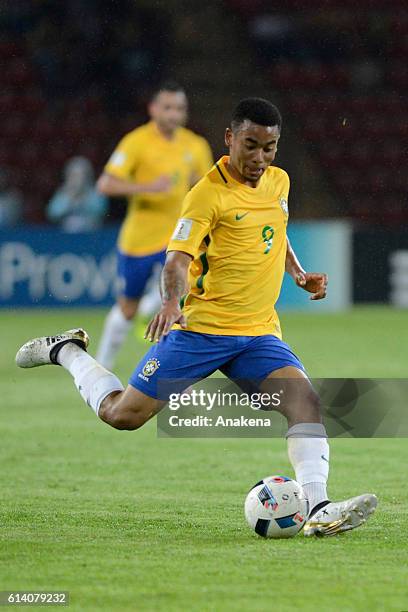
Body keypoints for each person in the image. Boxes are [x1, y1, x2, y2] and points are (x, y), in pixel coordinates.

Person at [16, 97, 377, 537]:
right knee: (123, 416)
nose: (260, 158)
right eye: (251, 146)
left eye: (269, 148)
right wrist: (170, 303)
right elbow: (176, 260)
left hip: (257, 333)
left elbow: (275, 234)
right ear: (229, 139)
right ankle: (67, 352)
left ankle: (318, 507)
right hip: (201, 332)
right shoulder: (206, 192)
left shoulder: (279, 182)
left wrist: (298, 274)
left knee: (305, 403)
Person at [95, 81, 213, 369]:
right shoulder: (136, 142)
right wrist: (147, 187)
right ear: (153, 109)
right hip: (139, 239)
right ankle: (100, 367)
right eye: (168, 108)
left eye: (180, 108)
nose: (174, 114)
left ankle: (174, 375)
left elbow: (210, 187)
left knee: (182, 304)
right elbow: (106, 184)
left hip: (178, 240)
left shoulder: (195, 145)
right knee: (127, 308)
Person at [47, 156, 108, 232]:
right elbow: (53, 214)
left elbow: (100, 211)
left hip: (90, 234)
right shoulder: (62, 193)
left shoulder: (96, 193)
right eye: (73, 175)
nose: (77, 179)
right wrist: (70, 199)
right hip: (66, 236)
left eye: (81, 175)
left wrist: (83, 199)